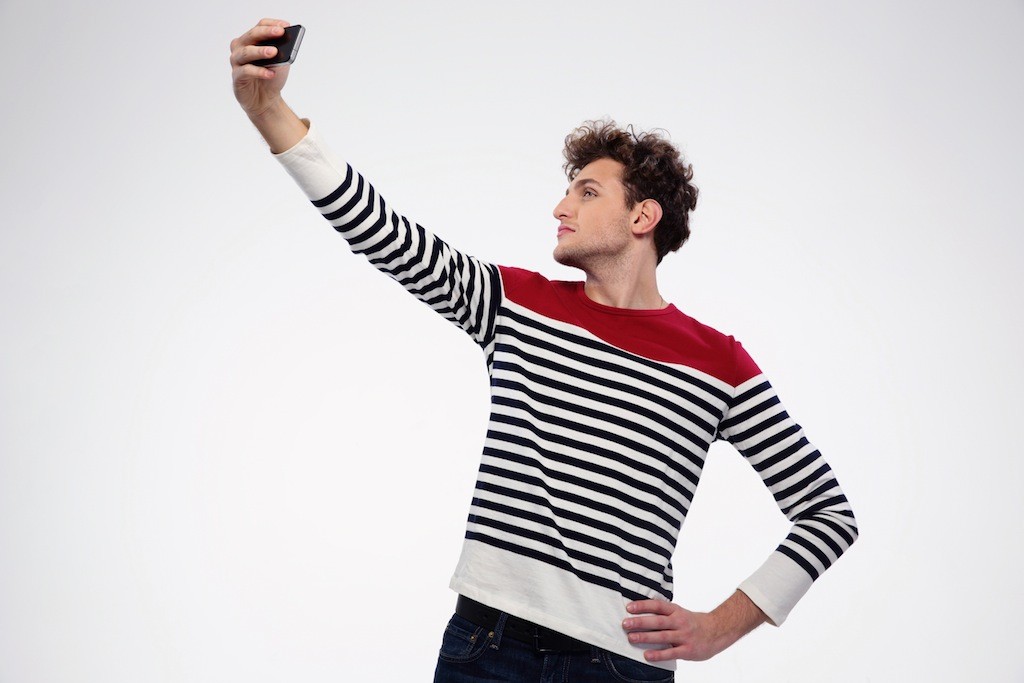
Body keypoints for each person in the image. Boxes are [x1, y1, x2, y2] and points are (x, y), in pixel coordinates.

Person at [229, 19, 858, 682]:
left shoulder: (719, 362)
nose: (561, 206)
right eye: (567, 190)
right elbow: (382, 231)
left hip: (621, 665)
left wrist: (718, 626)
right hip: (486, 645)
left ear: (643, 217)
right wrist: (269, 111)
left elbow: (826, 511)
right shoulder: (514, 303)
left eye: (587, 191)